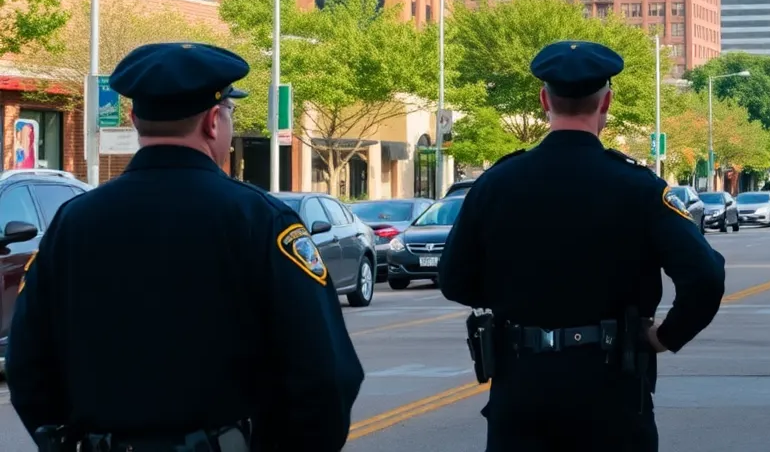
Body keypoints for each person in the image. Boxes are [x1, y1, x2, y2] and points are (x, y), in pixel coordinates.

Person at [5, 42, 364, 452]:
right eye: (229, 113)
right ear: (213, 122)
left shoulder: (72, 223)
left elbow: (28, 364)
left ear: (135, 118)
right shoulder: (262, 222)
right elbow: (325, 374)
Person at [438, 39, 727, 452]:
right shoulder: (639, 187)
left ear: (544, 100)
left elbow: (454, 280)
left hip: (522, 391)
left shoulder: (496, 184)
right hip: (611, 390)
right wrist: (664, 336)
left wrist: (515, 296)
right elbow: (705, 275)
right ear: (606, 102)